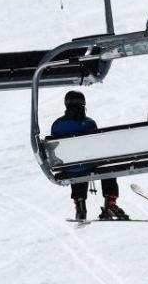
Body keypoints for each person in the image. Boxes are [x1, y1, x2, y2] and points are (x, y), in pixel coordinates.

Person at [50, 90, 128, 221]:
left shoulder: (57, 125)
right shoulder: (89, 123)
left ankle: (80, 205)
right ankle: (110, 203)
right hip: (88, 164)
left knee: (75, 167)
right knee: (104, 165)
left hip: (69, 167)